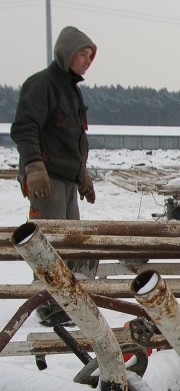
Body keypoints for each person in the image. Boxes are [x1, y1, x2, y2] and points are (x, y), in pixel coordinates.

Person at [11, 25, 99, 326]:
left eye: (90, 56)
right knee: (47, 244)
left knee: (70, 242)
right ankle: (46, 306)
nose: (87, 61)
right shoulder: (42, 85)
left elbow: (75, 139)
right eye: (83, 54)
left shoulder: (72, 92)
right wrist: (34, 167)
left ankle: (64, 303)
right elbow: (25, 127)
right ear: (67, 53)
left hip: (67, 180)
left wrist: (82, 175)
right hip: (46, 181)